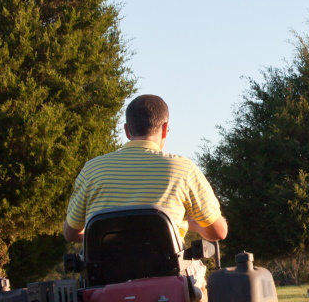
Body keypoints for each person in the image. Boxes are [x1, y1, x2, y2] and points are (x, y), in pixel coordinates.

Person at [63, 94, 228, 246]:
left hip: (106, 275)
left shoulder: (92, 169)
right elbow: (219, 232)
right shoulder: (183, 169)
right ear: (165, 129)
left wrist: (109, 239)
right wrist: (195, 226)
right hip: (168, 273)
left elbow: (71, 233)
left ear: (127, 130)